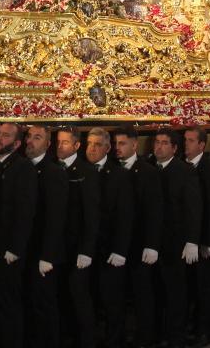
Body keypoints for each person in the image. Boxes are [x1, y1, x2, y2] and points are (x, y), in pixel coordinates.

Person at [0, 122, 35, 346]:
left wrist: (15, 248)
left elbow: (24, 212)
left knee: (8, 300)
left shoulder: (22, 167)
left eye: (5, 136)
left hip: (9, 248)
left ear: (16, 143)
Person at [151, 128, 201, 348]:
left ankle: (176, 337)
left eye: (164, 143)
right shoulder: (151, 168)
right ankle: (161, 333)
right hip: (154, 242)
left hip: (176, 241)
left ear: (174, 148)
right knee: (158, 291)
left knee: (176, 293)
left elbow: (193, 208)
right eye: (156, 142)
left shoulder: (184, 171)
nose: (159, 147)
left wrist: (192, 240)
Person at [114, 125, 163, 347]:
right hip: (118, 245)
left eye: (122, 143)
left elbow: (154, 212)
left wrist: (152, 245)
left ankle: (147, 336)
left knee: (143, 295)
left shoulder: (148, 171)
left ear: (135, 145)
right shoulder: (113, 169)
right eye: (115, 144)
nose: (118, 148)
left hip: (140, 243)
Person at [84, 127, 131, 346]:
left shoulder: (119, 174)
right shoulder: (78, 171)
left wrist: (120, 249)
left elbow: (125, 215)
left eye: (97, 145)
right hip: (84, 249)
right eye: (89, 144)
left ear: (107, 148)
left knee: (113, 300)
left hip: (110, 248)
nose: (92, 149)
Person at [54, 127, 99, 348]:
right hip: (59, 247)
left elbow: (92, 215)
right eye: (58, 142)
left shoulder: (86, 171)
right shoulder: (54, 168)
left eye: (64, 142)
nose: (59, 146)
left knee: (80, 297)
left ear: (76, 146)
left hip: (78, 247)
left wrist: (87, 250)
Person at [25, 124, 67, 348]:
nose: (30, 141)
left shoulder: (52, 172)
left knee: (45, 305)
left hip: (44, 252)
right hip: (29, 249)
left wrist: (47, 256)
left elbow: (55, 218)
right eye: (29, 137)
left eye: (37, 138)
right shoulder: (24, 168)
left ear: (48, 144)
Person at [183, 127, 210, 343]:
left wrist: (206, 241)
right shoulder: (183, 166)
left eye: (190, 141)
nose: (185, 144)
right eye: (185, 140)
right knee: (192, 286)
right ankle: (194, 324)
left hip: (205, 239)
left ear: (201, 145)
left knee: (205, 286)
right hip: (189, 237)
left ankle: (206, 329)